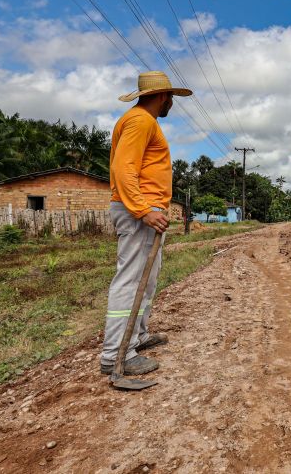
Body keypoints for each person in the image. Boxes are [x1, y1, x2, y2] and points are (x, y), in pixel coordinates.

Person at [100, 71, 192, 375]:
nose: (171, 104)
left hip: (147, 210)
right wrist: (142, 210)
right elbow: (124, 169)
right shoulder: (141, 121)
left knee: (146, 279)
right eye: (171, 99)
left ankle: (136, 337)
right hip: (139, 211)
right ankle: (116, 354)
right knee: (131, 279)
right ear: (163, 97)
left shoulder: (141, 120)